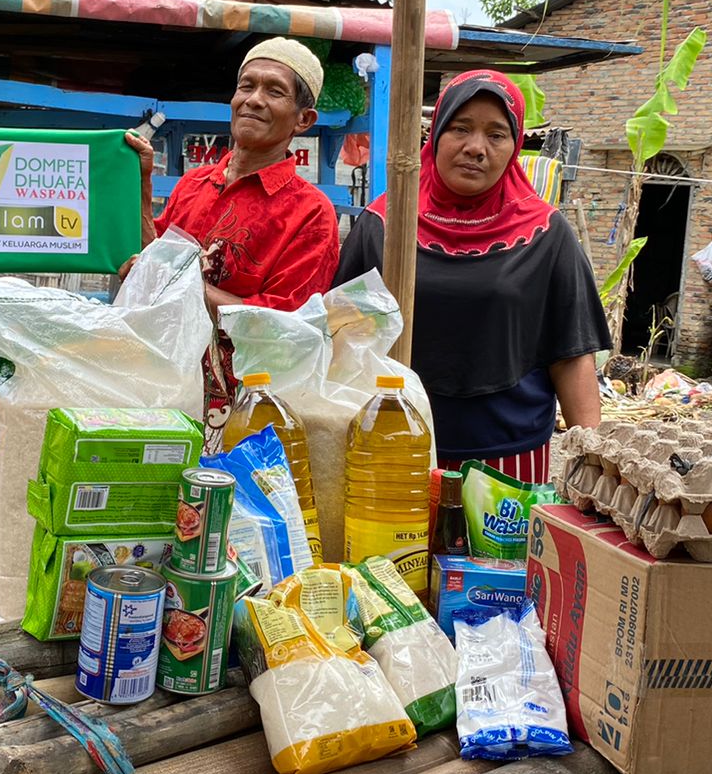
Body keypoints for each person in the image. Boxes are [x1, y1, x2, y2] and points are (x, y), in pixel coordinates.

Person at [334, 68, 608, 482]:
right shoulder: (384, 225)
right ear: (436, 134)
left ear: (514, 147)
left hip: (509, 454)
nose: (476, 148)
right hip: (392, 447)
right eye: (460, 128)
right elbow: (341, 338)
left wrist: (595, 466)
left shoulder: (546, 235)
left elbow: (571, 355)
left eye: (496, 134)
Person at [126, 37, 340, 444]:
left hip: (245, 410)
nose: (254, 100)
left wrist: (184, 285)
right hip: (162, 387)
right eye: (246, 86)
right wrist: (140, 182)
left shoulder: (311, 213)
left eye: (274, 91)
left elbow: (285, 329)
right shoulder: (194, 184)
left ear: (303, 119)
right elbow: (153, 259)